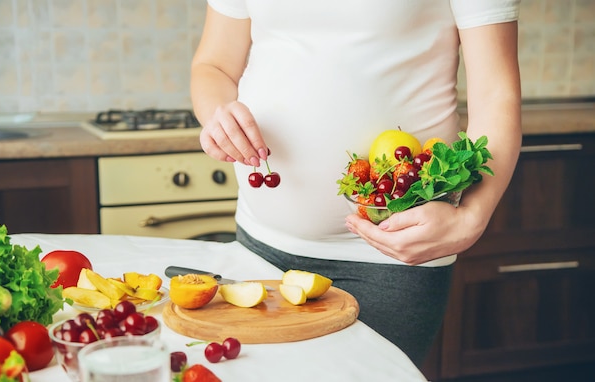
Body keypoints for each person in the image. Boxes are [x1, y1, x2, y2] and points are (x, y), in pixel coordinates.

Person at [190, 0, 522, 367]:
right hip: (260, 245)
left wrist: (473, 216)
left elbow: (496, 93)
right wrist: (217, 116)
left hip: (391, 258)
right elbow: (214, 66)